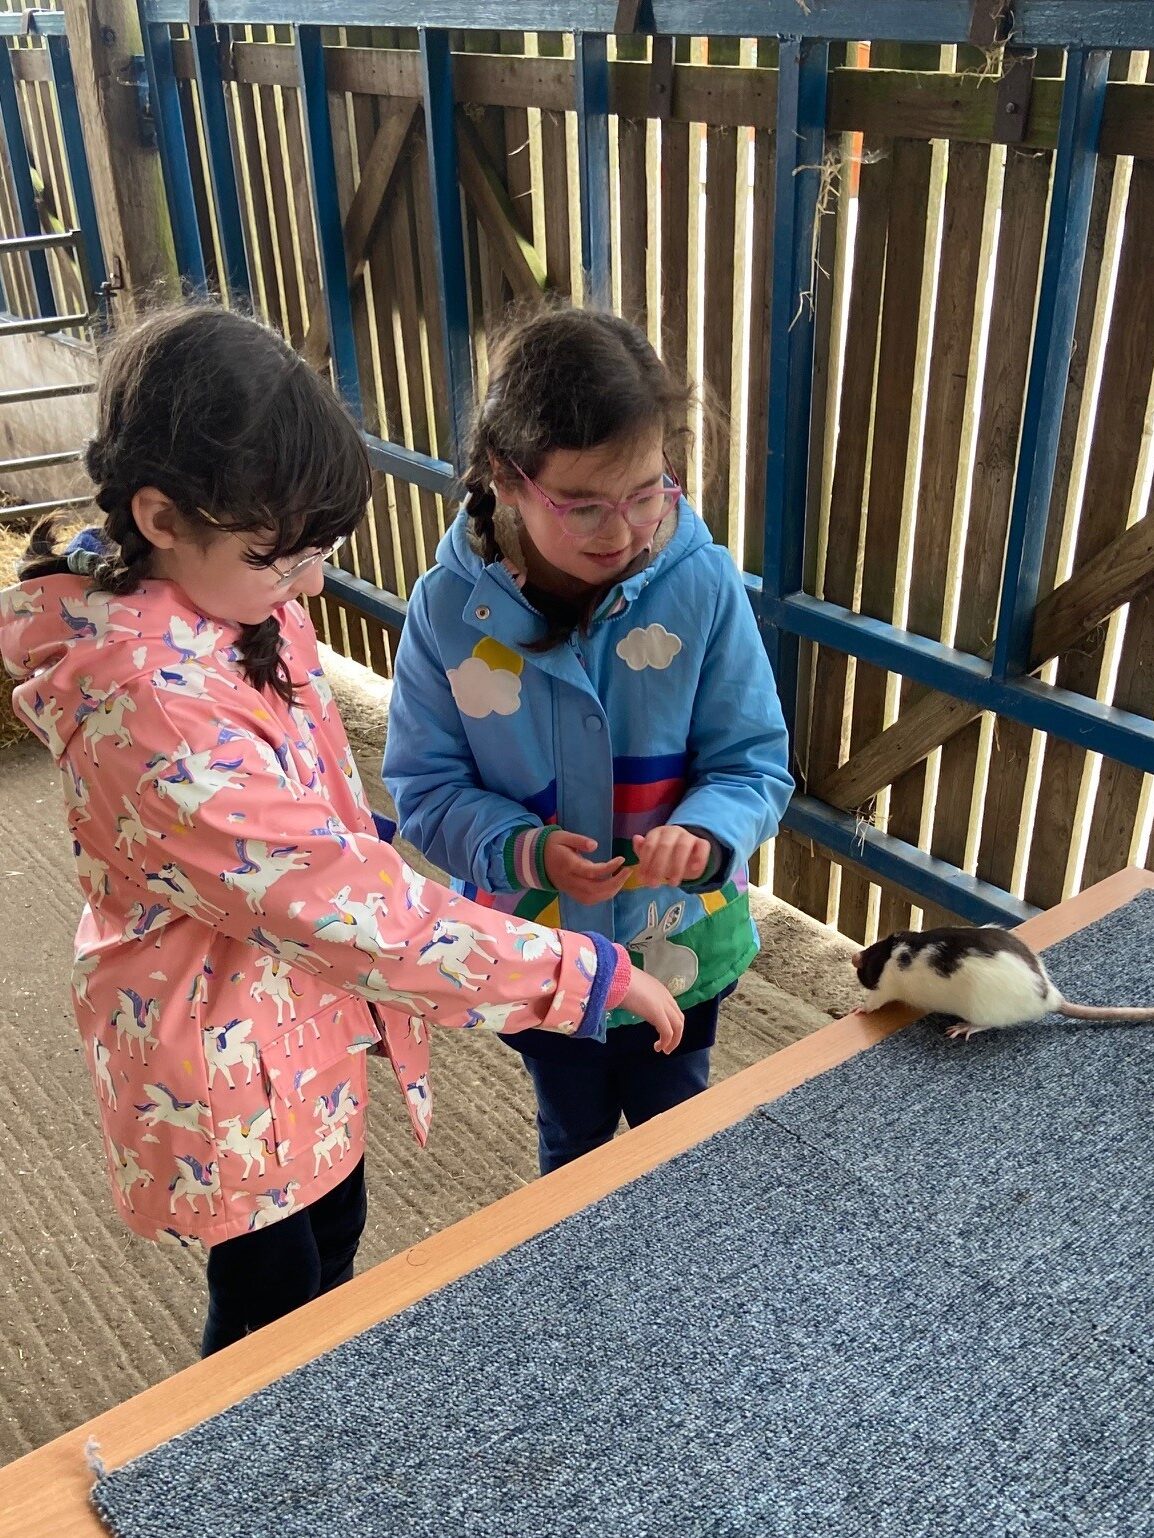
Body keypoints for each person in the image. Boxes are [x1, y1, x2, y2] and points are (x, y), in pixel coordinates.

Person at [0, 304, 682, 1356]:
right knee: (273, 1301)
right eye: (284, 556)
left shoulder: (225, 598)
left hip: (288, 1020)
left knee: (330, 1237)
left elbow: (291, 826)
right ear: (163, 515)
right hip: (226, 1063)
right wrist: (574, 974)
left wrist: (334, 821)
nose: (311, 582)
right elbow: (351, 909)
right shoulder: (157, 709)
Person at [384, 306, 793, 1176]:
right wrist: (525, 850)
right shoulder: (448, 610)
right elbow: (424, 788)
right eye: (583, 506)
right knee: (571, 1146)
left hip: (683, 946)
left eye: (649, 492)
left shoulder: (702, 585)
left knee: (677, 1141)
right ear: (505, 476)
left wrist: (710, 831)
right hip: (539, 957)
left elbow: (752, 762)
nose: (623, 531)